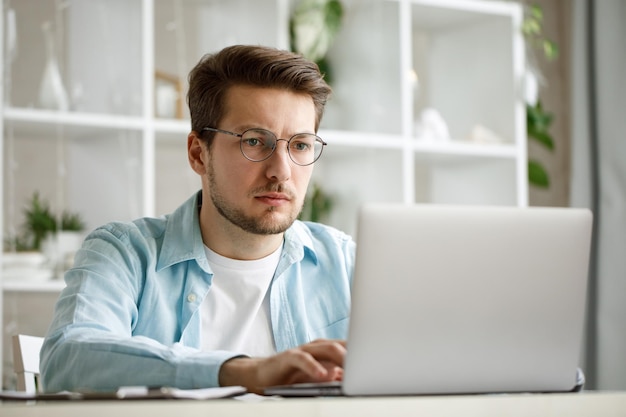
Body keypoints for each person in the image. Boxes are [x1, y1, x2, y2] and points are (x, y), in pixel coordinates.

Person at [40, 45, 355, 394]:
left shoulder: (347, 262)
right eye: (254, 141)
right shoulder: (125, 254)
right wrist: (242, 372)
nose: (281, 171)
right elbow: (68, 359)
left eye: (300, 146)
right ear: (198, 154)